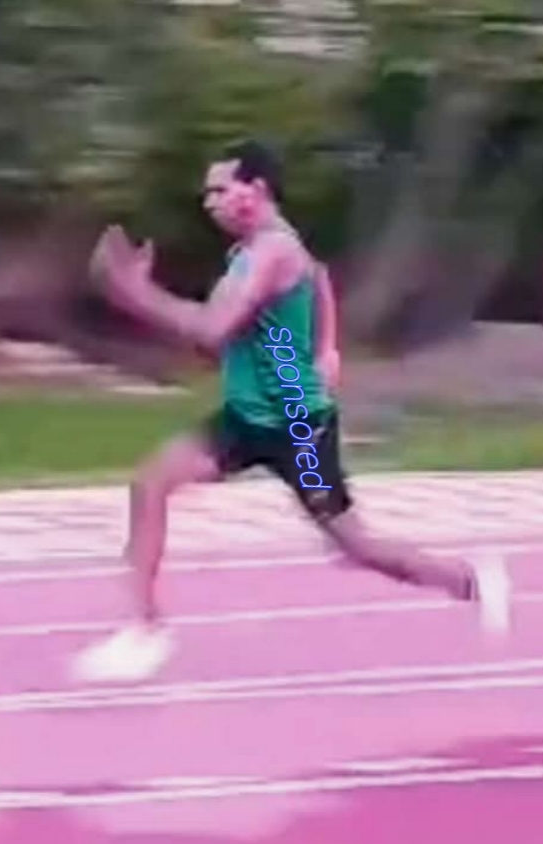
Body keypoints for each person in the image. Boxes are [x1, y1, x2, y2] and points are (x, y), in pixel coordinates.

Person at [74, 139, 510, 682]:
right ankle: (145, 630)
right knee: (150, 484)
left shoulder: (273, 252)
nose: (209, 202)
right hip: (245, 418)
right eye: (208, 193)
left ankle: (470, 580)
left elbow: (213, 329)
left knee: (356, 547)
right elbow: (316, 279)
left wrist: (133, 293)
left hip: (298, 428)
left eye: (220, 190)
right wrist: (326, 346)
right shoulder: (251, 252)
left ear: (255, 189)